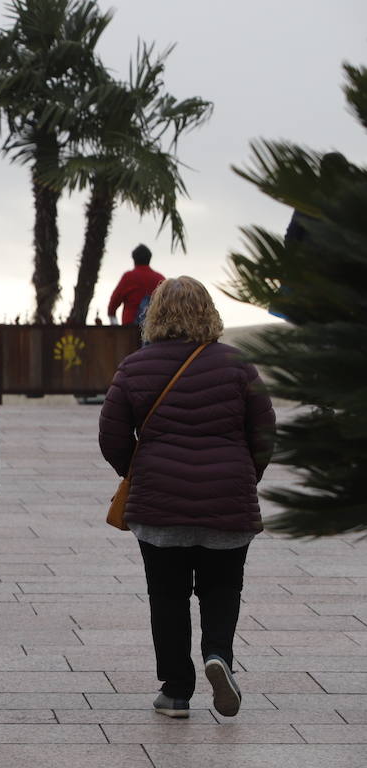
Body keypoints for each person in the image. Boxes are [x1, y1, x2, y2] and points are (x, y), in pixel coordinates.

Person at [98, 276, 276, 719]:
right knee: (222, 586)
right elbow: (265, 431)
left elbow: (111, 436)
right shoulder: (239, 365)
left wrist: (135, 472)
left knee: (167, 594)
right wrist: (245, 476)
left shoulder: (135, 367)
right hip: (227, 499)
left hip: (159, 503)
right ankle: (218, 656)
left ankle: (176, 690)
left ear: (154, 315)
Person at [108, 244, 165, 325]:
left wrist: (113, 321)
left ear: (134, 259)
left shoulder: (128, 277)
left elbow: (114, 302)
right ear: (149, 259)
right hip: (155, 328)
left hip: (130, 329)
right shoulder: (160, 278)